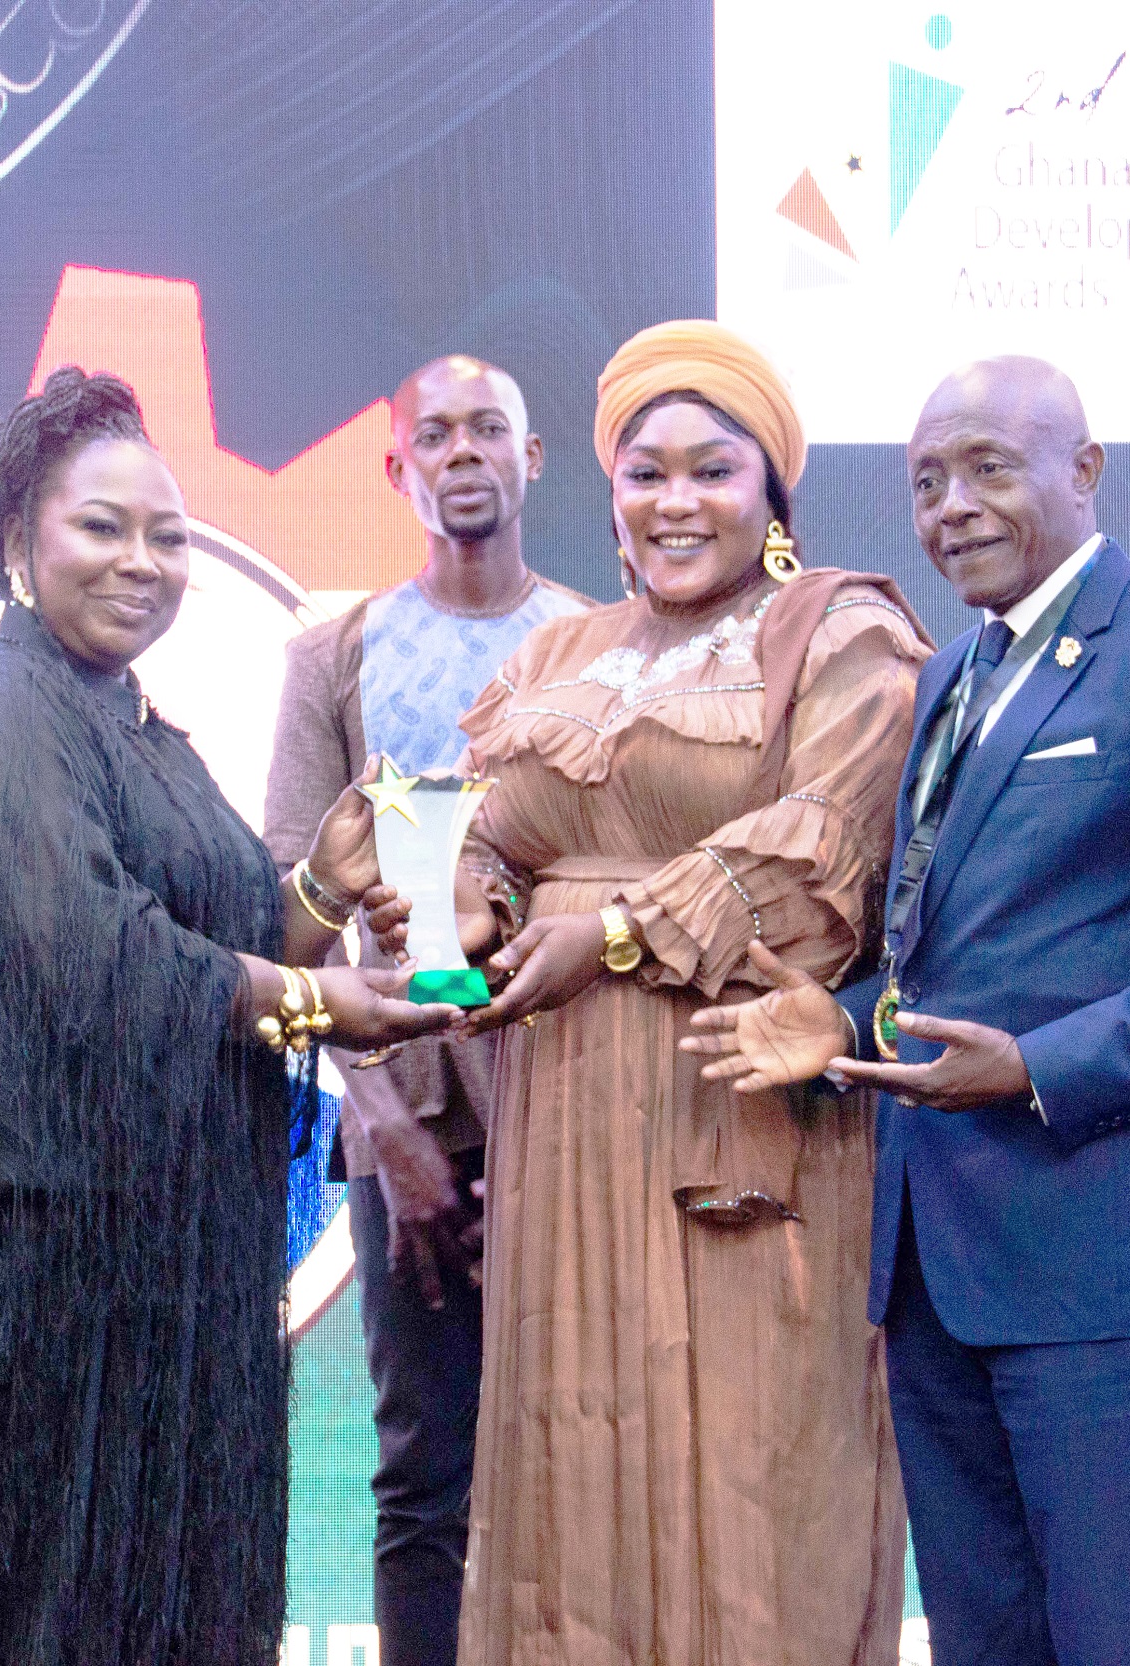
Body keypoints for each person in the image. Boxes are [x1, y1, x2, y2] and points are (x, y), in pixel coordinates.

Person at [0, 368, 455, 1666]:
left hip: (130, 1280)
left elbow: (210, 951)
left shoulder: (139, 730)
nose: (142, 562)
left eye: (167, 536)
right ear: (19, 539)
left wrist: (325, 892)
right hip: (11, 1282)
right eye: (102, 527)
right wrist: (312, 998)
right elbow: (90, 949)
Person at [684, 356, 1130, 1665]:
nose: (953, 507)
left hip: (1107, 1273)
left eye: (989, 468)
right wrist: (849, 1026)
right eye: (927, 481)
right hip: (937, 1275)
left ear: (1084, 469)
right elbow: (959, 965)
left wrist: (1043, 1067)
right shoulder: (953, 675)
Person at [388, 321, 927, 1665]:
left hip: (743, 1095)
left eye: (712, 470)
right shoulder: (558, 654)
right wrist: (470, 905)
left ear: (772, 490)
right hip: (564, 1119)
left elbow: (830, 860)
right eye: (645, 473)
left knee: (753, 1473)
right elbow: (476, 832)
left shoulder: (840, 629)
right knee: (570, 1458)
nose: (676, 502)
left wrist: (617, 933)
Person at [260, 354, 585, 1666]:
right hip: (413, 1130)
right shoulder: (335, 657)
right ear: (396, 467)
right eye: (435, 434)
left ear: (532, 457)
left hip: (574, 1110)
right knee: (423, 1477)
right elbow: (292, 915)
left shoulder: (597, 645)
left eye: (487, 429)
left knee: (581, 1458)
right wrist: (384, 1125)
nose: (463, 453)